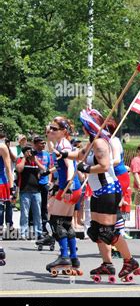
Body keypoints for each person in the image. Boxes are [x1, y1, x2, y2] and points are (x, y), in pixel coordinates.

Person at [60, 109, 140, 281]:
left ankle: (129, 261)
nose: (82, 128)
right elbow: (80, 155)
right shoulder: (91, 143)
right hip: (98, 192)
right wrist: (65, 154)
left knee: (107, 232)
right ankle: (107, 264)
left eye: (83, 125)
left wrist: (87, 169)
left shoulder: (100, 143)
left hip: (108, 191)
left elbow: (104, 166)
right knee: (95, 231)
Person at [45, 116, 82, 274]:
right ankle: (73, 257)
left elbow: (71, 166)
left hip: (69, 186)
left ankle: (65, 256)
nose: (51, 131)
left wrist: (68, 187)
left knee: (55, 221)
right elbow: (56, 158)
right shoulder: (60, 144)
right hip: (70, 186)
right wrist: (48, 171)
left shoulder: (64, 145)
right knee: (66, 222)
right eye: (50, 128)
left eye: (54, 129)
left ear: (64, 131)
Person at [107, 119, 132, 240]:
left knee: (115, 204)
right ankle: (117, 231)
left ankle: (119, 232)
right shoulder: (110, 140)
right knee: (113, 205)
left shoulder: (113, 141)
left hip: (119, 175)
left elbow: (116, 160)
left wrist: (104, 164)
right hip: (116, 175)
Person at [16, 143, 45, 240]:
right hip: (25, 191)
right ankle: (23, 233)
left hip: (36, 190)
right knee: (25, 213)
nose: (30, 153)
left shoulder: (35, 161)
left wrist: (35, 160)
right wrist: (24, 158)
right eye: (28, 151)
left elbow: (44, 170)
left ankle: (38, 233)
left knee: (37, 213)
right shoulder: (21, 160)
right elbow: (19, 169)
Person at [0, 132, 14, 238]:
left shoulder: (2, 146)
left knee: (1, 209)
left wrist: (11, 187)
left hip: (1, 181)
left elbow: (9, 168)